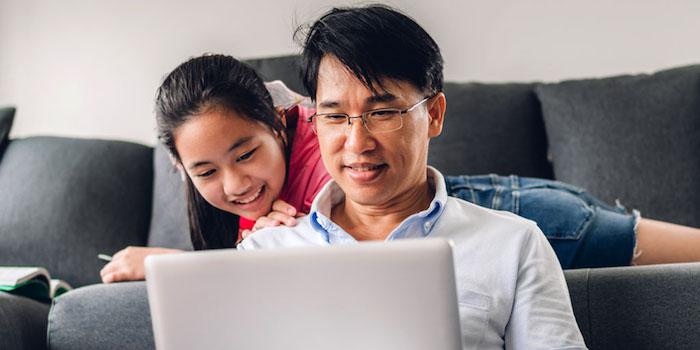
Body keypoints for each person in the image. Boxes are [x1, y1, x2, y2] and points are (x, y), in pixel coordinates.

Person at [100, 18, 700, 284]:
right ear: (182, 169)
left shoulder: (332, 148)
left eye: (245, 154)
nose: (234, 183)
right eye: (206, 170)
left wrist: (166, 262)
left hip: (526, 215)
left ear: (282, 125)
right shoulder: (257, 195)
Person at [238, 5, 587, 348]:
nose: (357, 143)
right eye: (334, 116)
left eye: (383, 112)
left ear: (434, 115)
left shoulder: (513, 245)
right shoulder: (263, 254)